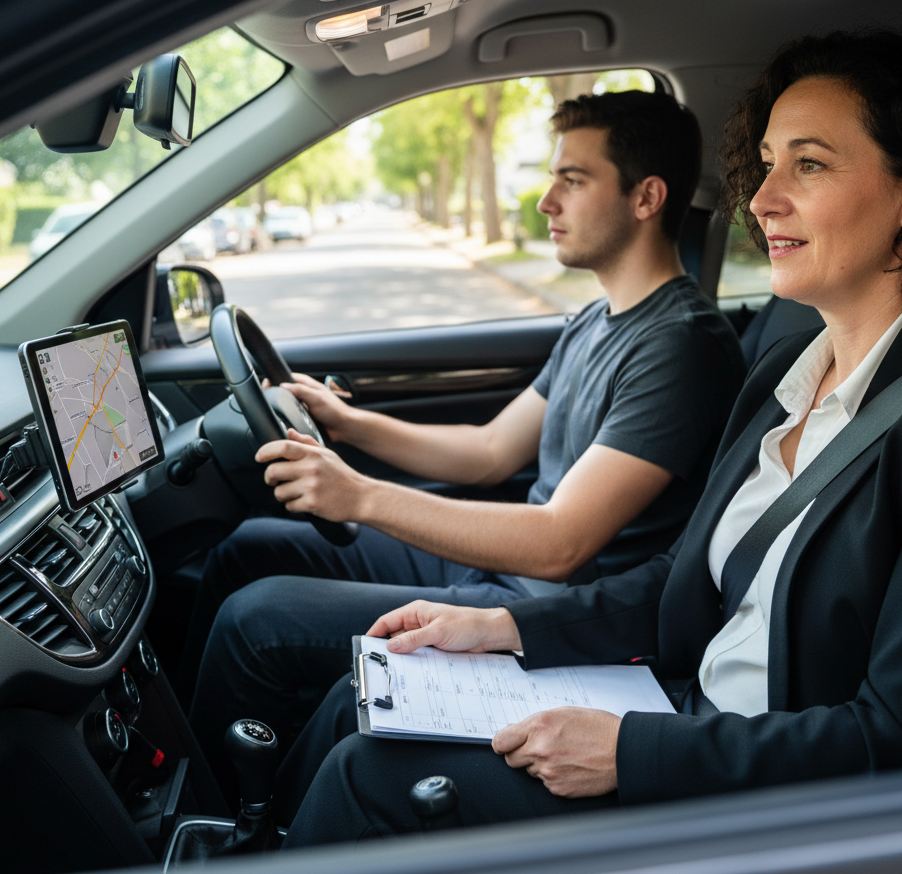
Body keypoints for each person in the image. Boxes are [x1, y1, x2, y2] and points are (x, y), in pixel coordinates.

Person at [275, 28, 902, 845]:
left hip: (769, 801)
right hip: (681, 713)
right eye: (765, 163)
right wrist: (509, 630)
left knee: (368, 778)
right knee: (373, 695)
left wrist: (634, 751)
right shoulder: (784, 374)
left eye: (809, 163)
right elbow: (680, 581)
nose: (762, 198)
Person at [185, 90, 747, 801]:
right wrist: (351, 424)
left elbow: (560, 543)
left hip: (554, 607)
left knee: (256, 620)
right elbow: (488, 451)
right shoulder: (596, 321)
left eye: (572, 180)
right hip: (508, 569)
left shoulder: (681, 345)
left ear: (646, 197)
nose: (546, 202)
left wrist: (357, 493)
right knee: (249, 547)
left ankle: (211, 816)